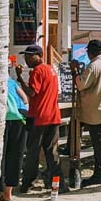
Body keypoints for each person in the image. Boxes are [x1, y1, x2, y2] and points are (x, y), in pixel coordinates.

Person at [16, 44, 61, 192]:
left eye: (30, 55)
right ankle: (57, 183)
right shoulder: (50, 69)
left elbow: (32, 93)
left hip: (39, 117)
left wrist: (19, 78)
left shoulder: (37, 71)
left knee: (33, 152)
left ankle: (27, 183)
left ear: (39, 56)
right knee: (51, 152)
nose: (27, 58)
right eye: (26, 55)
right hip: (53, 116)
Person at [72, 39, 101, 188]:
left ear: (90, 52)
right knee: (100, 139)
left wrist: (76, 72)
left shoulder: (94, 66)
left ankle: (100, 172)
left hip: (94, 107)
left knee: (98, 141)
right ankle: (100, 170)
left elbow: (81, 84)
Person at [0, 75, 30, 201]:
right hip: (19, 119)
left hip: (1, 121)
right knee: (15, 156)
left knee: (0, 157)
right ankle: (8, 193)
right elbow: (24, 98)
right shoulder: (11, 82)